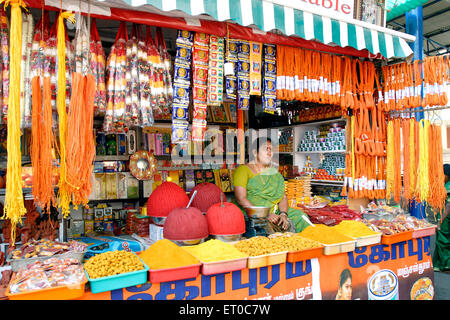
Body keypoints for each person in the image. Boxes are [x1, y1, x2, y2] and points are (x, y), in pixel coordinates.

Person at [233, 137, 312, 234]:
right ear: (254, 152)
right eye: (266, 149)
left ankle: (312, 244)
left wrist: (283, 214)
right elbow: (241, 199)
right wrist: (265, 215)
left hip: (276, 211)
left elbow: (283, 197)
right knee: (266, 229)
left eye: (271, 150)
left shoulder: (275, 174)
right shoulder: (243, 171)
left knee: (300, 216)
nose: (269, 152)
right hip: (254, 213)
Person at [432, 164, 450, 272]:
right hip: (444, 217)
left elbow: (448, 206)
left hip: (445, 219)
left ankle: (446, 265)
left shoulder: (448, 187)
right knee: (440, 241)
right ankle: (437, 265)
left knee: (443, 241)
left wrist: (440, 220)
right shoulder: (446, 185)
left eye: (442, 174)